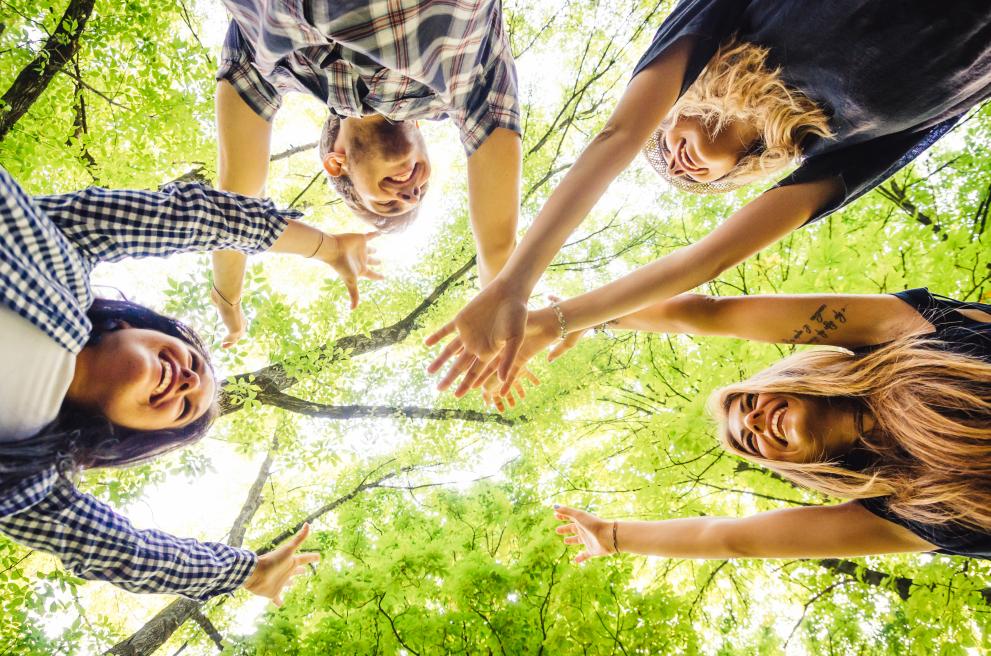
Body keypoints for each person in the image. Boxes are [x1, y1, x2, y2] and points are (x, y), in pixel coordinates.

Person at [425, 0, 991, 393]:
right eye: (694, 179)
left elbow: (618, 136)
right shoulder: (831, 147)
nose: (676, 162)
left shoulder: (728, 29)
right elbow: (705, 262)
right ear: (740, 172)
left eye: (663, 143)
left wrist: (514, 283)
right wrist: (560, 320)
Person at [0, 167, 380, 600]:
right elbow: (190, 218)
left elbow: (132, 555)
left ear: (129, 431)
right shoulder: (60, 257)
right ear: (133, 326)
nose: (187, 381)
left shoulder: (28, 482)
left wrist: (249, 573)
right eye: (193, 363)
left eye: (184, 407)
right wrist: (327, 247)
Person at [538, 288, 991, 561]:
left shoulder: (904, 334)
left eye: (751, 402)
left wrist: (591, 316)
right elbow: (731, 539)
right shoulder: (907, 512)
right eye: (750, 441)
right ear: (792, 465)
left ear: (790, 380)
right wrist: (614, 536)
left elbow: (711, 313)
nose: (754, 420)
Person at [211, 0, 523, 347]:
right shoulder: (468, 88)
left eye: (388, 204)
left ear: (336, 164)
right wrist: (501, 315)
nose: (411, 195)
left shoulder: (268, 66)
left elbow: (235, 206)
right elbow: (497, 245)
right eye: (421, 192)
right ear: (419, 127)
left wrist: (227, 295)